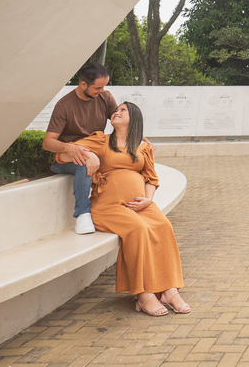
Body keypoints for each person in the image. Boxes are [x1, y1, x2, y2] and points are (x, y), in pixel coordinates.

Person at [56, 101, 189, 317]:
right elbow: (61, 156)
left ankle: (169, 290)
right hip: (109, 206)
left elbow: (151, 178)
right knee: (138, 230)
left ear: (134, 118)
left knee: (163, 225)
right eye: (116, 110)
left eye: (122, 110)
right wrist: (87, 155)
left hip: (141, 205)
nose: (116, 112)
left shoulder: (143, 147)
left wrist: (148, 200)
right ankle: (143, 294)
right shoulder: (101, 140)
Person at [43, 62, 117, 234]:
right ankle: (83, 214)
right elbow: (48, 143)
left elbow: (120, 120)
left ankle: (113, 207)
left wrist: (138, 136)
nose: (102, 91)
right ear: (83, 84)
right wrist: (70, 148)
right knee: (84, 164)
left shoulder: (105, 97)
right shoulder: (64, 106)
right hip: (66, 158)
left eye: (104, 86)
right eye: (98, 87)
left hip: (95, 151)